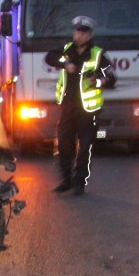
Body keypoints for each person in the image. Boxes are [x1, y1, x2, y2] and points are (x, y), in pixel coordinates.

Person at [45, 15, 115, 196]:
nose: (79, 35)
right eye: (77, 31)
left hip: (88, 110)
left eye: (83, 32)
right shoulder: (67, 50)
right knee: (63, 145)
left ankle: (79, 182)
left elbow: (111, 78)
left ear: (89, 35)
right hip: (67, 107)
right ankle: (65, 181)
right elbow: (49, 57)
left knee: (84, 147)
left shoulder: (99, 54)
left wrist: (98, 81)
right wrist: (65, 63)